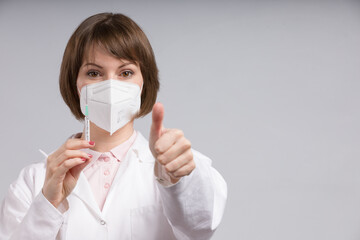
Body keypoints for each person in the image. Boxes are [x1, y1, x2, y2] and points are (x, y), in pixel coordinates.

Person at [0, 12, 227, 240]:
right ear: (75, 84)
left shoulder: (175, 163)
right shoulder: (34, 181)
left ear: (143, 83)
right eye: (94, 73)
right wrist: (47, 204)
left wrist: (177, 180)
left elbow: (201, 228)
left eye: (125, 72)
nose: (110, 85)